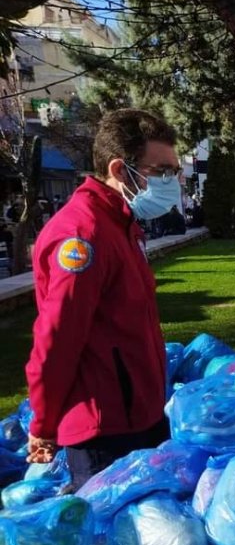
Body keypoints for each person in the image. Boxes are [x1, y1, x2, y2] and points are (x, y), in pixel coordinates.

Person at [25, 108, 179, 490]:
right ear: (119, 168)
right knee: (110, 544)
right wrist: (43, 424)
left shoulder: (120, 225)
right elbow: (57, 339)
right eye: (162, 171)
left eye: (175, 172)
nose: (172, 182)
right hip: (106, 429)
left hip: (139, 414)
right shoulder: (83, 235)